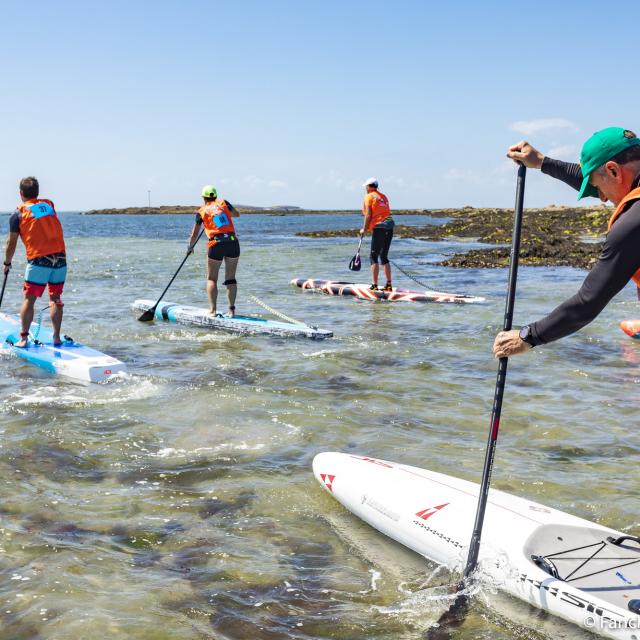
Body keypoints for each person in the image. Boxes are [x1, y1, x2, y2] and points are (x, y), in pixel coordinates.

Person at [493, 127, 640, 358]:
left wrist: (527, 336)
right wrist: (542, 162)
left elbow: (588, 302)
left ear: (613, 170)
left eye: (598, 188)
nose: (601, 198)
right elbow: (603, 178)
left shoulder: (632, 223)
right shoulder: (629, 183)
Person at [3, 177, 67, 348]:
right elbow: (39, 216)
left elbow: (11, 242)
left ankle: (23, 339)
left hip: (39, 259)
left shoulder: (18, 214)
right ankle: (56, 338)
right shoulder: (49, 204)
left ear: (20, 193)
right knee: (55, 298)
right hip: (60, 258)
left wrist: (7, 263)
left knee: (29, 300)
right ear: (37, 192)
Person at [187, 185, 240, 316]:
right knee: (231, 278)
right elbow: (236, 214)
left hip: (216, 243)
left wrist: (190, 247)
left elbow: (194, 234)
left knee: (211, 279)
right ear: (215, 196)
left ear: (203, 197)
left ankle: (213, 311)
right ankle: (231, 311)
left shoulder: (202, 211)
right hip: (232, 242)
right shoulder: (223, 203)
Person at [360, 177, 395, 291]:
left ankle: (374, 286)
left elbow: (368, 215)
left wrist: (364, 229)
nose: (365, 188)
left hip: (379, 228)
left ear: (369, 186)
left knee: (373, 257)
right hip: (389, 227)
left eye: (366, 186)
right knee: (384, 257)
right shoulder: (383, 197)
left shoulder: (368, 196)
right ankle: (389, 285)